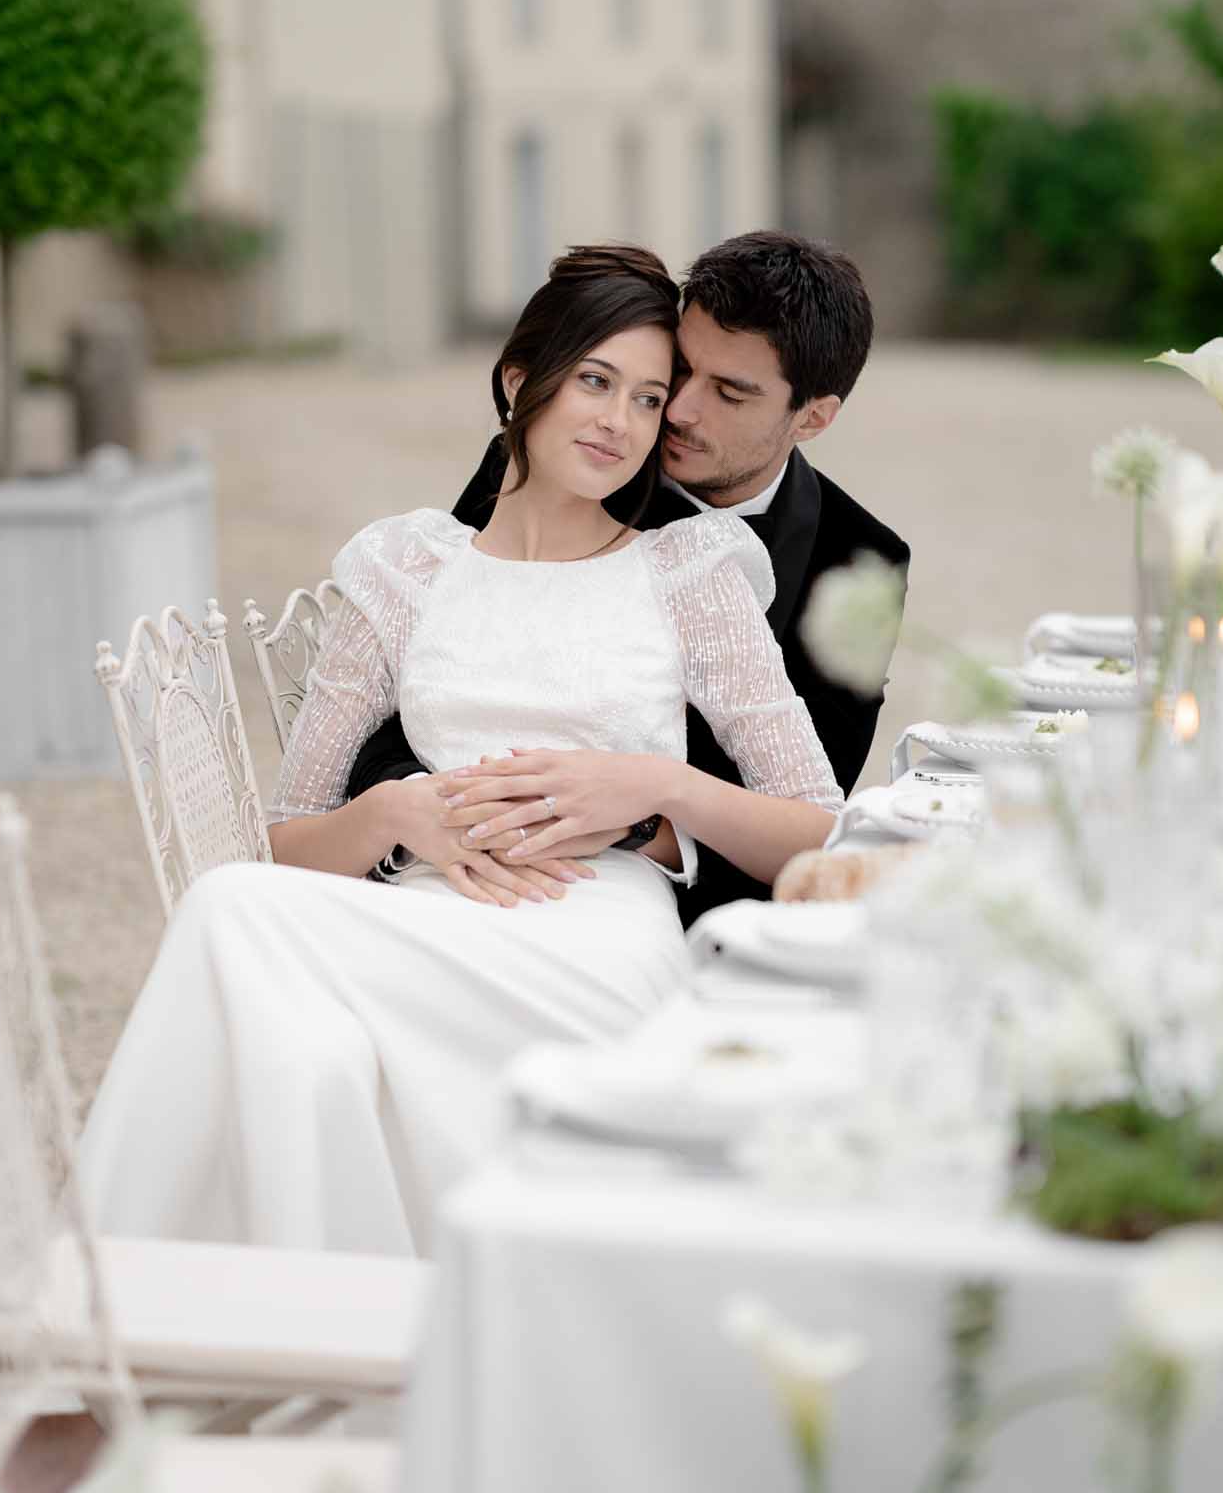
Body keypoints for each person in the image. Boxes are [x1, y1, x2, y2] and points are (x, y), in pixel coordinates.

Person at [76, 247, 843, 1257]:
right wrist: (394, 817)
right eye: (596, 382)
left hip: (595, 935)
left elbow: (824, 825)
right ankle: (259, 1301)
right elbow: (286, 836)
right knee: (274, 988)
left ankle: (112, 1287)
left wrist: (658, 785)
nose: (622, 421)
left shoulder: (688, 572)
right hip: (421, 913)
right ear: (523, 381)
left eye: (651, 399)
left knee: (232, 928)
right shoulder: (404, 567)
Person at [346, 231, 910, 923]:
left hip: (682, 912)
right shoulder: (566, 457)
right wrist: (463, 816)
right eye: (680, 372)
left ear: (813, 418)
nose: (675, 411)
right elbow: (421, 681)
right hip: (463, 876)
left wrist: (642, 823)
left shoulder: (863, 560)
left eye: (729, 393)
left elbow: (810, 826)